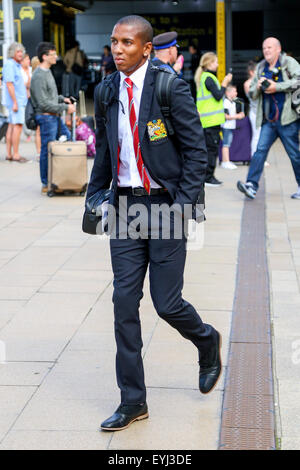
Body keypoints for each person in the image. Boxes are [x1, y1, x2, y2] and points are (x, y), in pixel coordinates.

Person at [87, 14, 222, 432]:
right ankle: (133, 401)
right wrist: (96, 195)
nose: (118, 48)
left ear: (146, 48)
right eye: (114, 41)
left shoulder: (169, 86)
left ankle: (206, 340)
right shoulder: (107, 89)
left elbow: (195, 149)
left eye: (128, 42)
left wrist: (184, 205)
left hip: (165, 205)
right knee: (124, 303)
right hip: (126, 206)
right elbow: (108, 150)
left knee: (166, 304)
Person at [237, 38, 300, 200]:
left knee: (294, 154)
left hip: (288, 120)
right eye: (264, 48)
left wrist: (276, 86)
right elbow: (251, 92)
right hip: (268, 121)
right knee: (259, 152)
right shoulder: (260, 67)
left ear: (278, 49)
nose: (266, 51)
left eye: (269, 47)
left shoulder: (289, 62)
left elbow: (298, 80)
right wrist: (257, 87)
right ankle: (251, 185)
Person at [30, 42, 75, 193]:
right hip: (46, 117)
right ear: (44, 56)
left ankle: (57, 176)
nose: (56, 56)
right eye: (53, 54)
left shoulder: (47, 71)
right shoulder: (38, 76)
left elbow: (51, 96)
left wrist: (63, 99)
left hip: (53, 116)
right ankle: (46, 182)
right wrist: (65, 107)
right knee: (46, 149)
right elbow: (43, 104)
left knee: (66, 137)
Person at [195, 52, 232, 186]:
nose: (217, 65)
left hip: (208, 121)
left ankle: (207, 176)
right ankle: (208, 178)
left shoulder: (205, 77)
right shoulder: (209, 78)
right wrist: (225, 83)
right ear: (209, 63)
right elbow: (218, 95)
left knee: (209, 150)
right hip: (211, 122)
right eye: (216, 62)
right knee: (212, 151)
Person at [2, 42, 28, 162]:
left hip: (17, 101)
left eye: (21, 51)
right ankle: (16, 154)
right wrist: (15, 102)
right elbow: (9, 84)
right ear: (12, 53)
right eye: (17, 51)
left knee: (12, 127)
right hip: (15, 102)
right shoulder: (10, 65)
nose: (20, 53)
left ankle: (9, 154)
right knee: (17, 126)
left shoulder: (16, 65)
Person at [221, 85, 245, 169]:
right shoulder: (226, 102)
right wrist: (237, 116)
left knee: (228, 143)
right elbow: (226, 116)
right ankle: (225, 162)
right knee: (226, 144)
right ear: (228, 92)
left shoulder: (233, 102)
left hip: (231, 126)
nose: (236, 93)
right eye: (234, 91)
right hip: (226, 126)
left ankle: (226, 160)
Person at [244, 61, 261, 158]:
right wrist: (258, 88)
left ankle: (260, 157)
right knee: (256, 135)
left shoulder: (259, 81)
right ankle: (254, 157)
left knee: (261, 136)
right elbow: (252, 96)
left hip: (261, 111)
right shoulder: (248, 83)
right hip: (254, 111)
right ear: (251, 72)